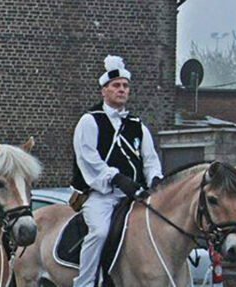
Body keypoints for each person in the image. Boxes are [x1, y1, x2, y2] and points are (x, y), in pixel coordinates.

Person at [70, 55, 163, 287]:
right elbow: (88, 158)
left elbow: (150, 159)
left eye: (125, 86)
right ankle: (86, 282)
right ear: (104, 90)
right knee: (100, 232)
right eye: (116, 86)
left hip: (135, 195)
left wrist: (155, 179)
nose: (122, 90)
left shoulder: (137, 125)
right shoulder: (90, 121)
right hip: (101, 195)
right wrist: (117, 178)